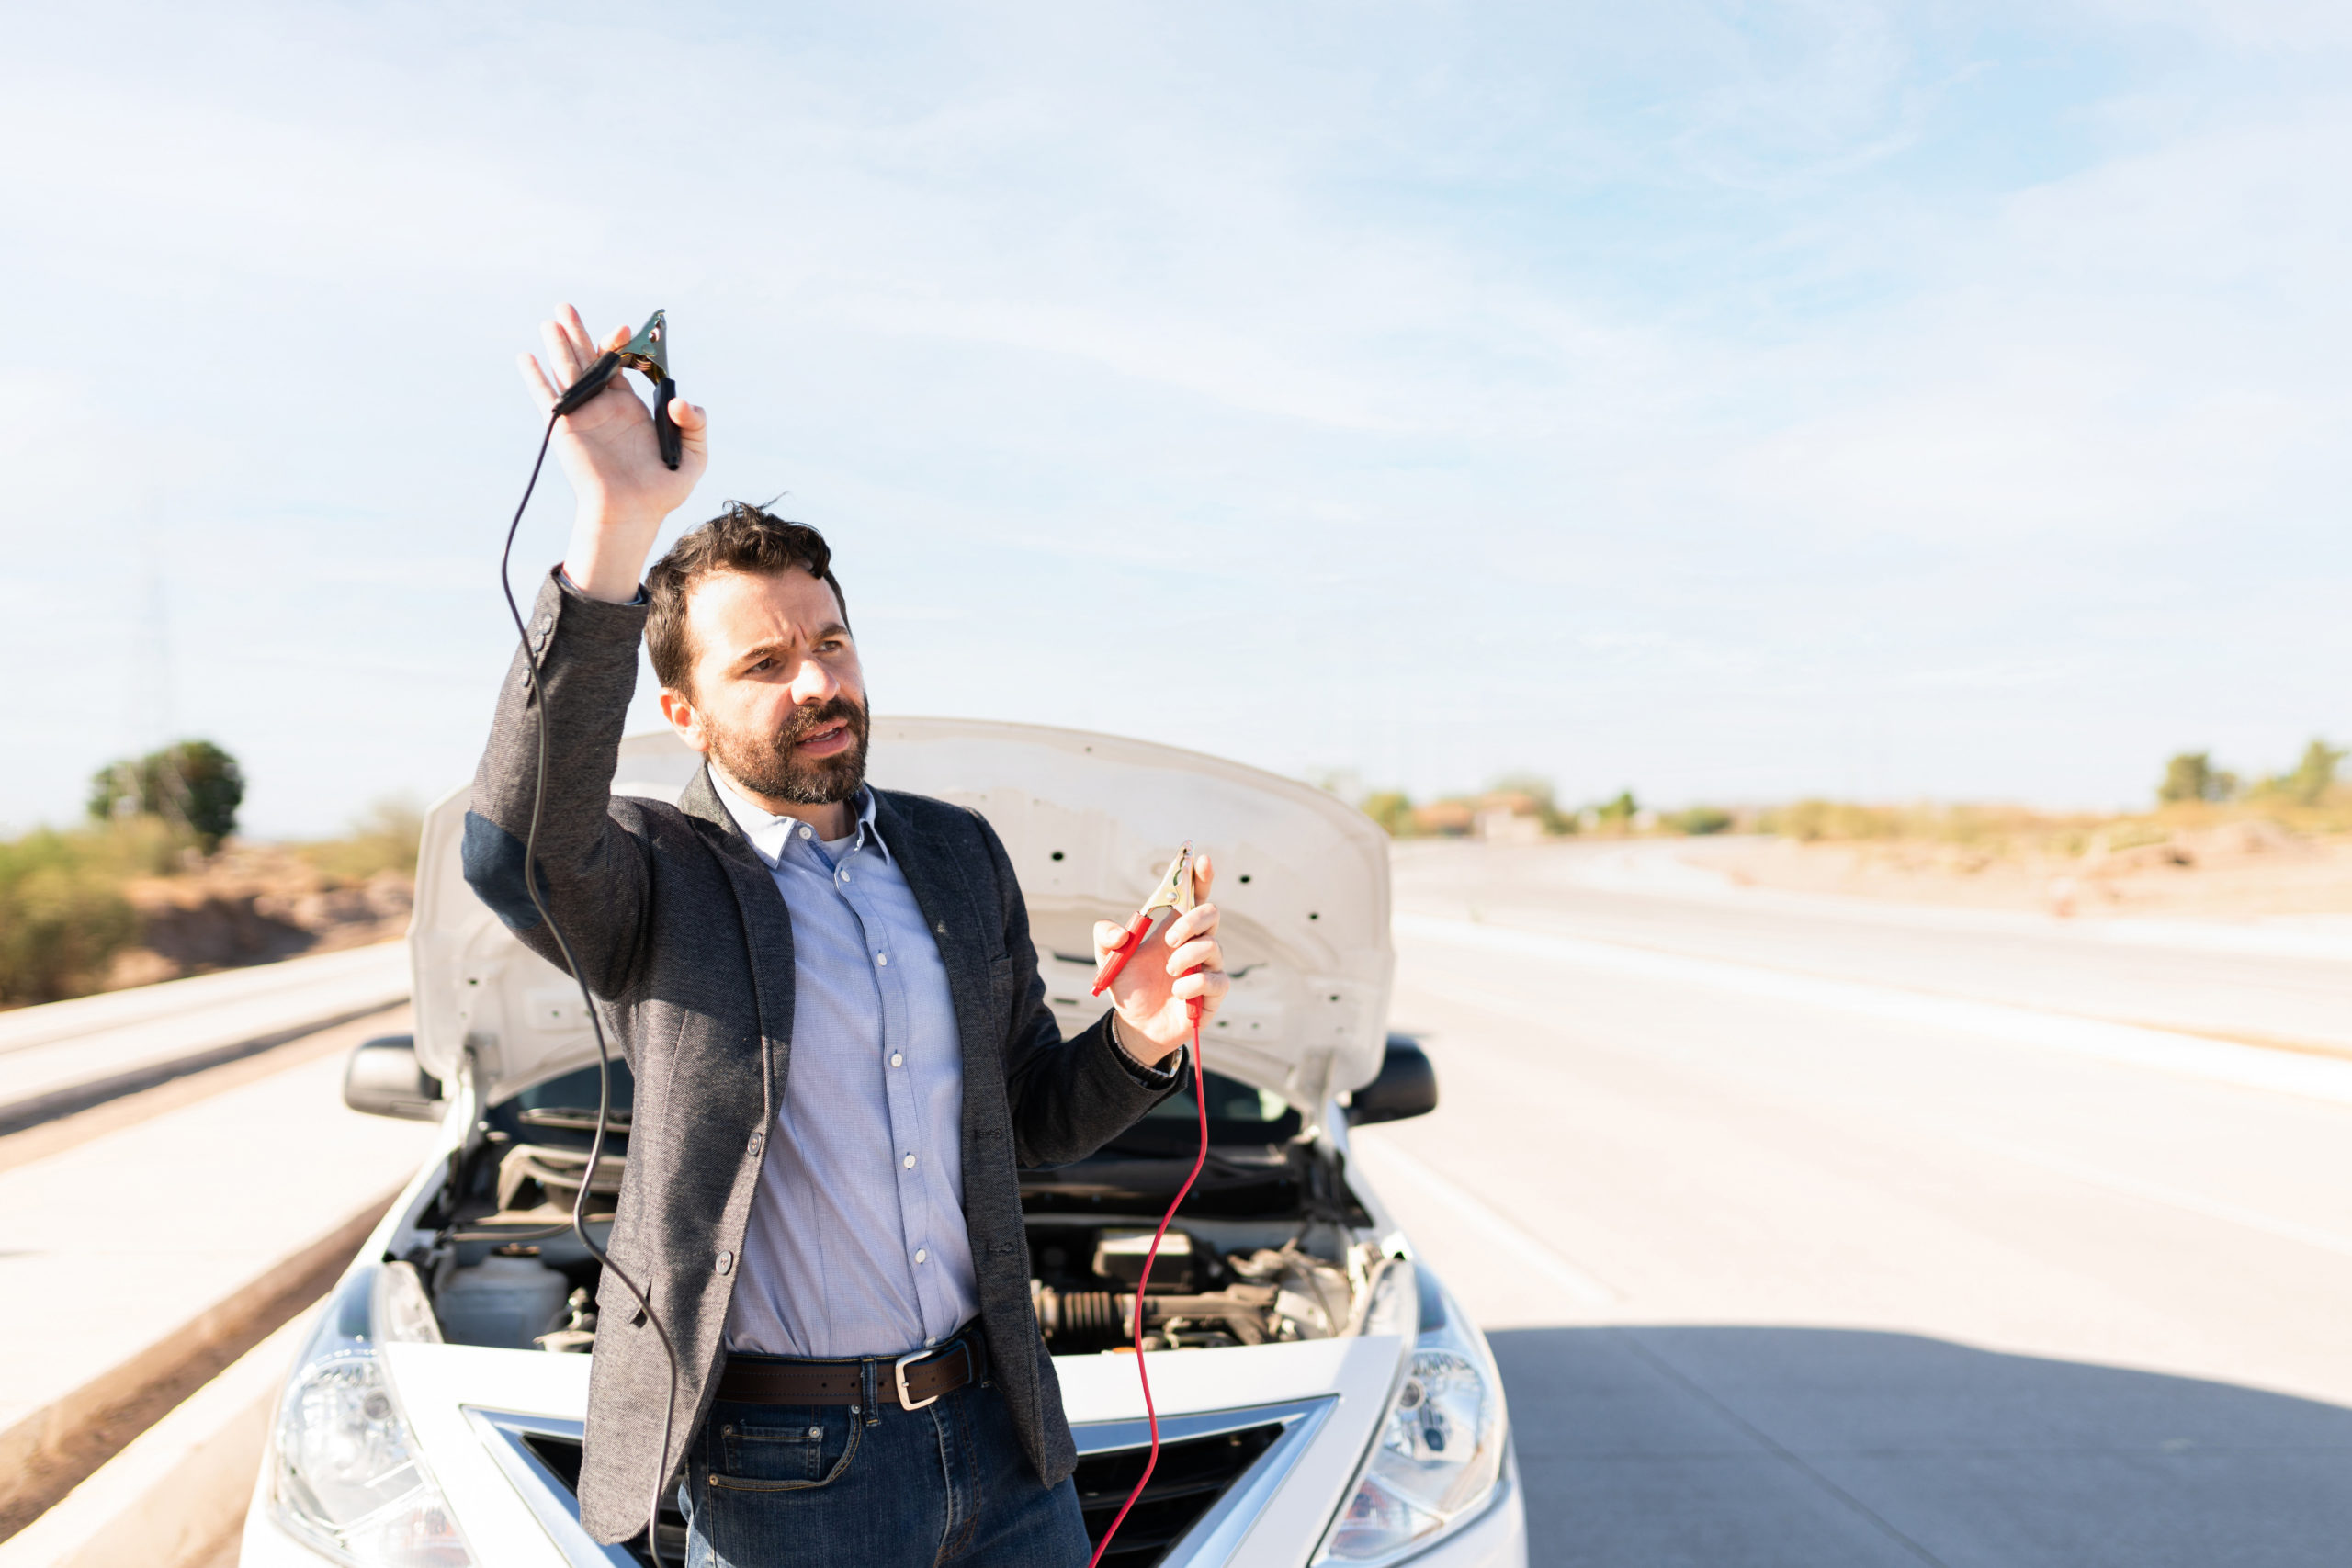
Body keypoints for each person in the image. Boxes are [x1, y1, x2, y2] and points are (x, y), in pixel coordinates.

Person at [463, 305, 1230, 1568]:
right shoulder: (655, 875)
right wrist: (614, 524)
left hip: (1000, 1448)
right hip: (783, 1484)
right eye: (764, 664)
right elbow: (514, 850)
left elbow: (1027, 1118)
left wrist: (1141, 1034)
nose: (819, 683)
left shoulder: (954, 854)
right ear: (685, 714)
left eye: (831, 642)